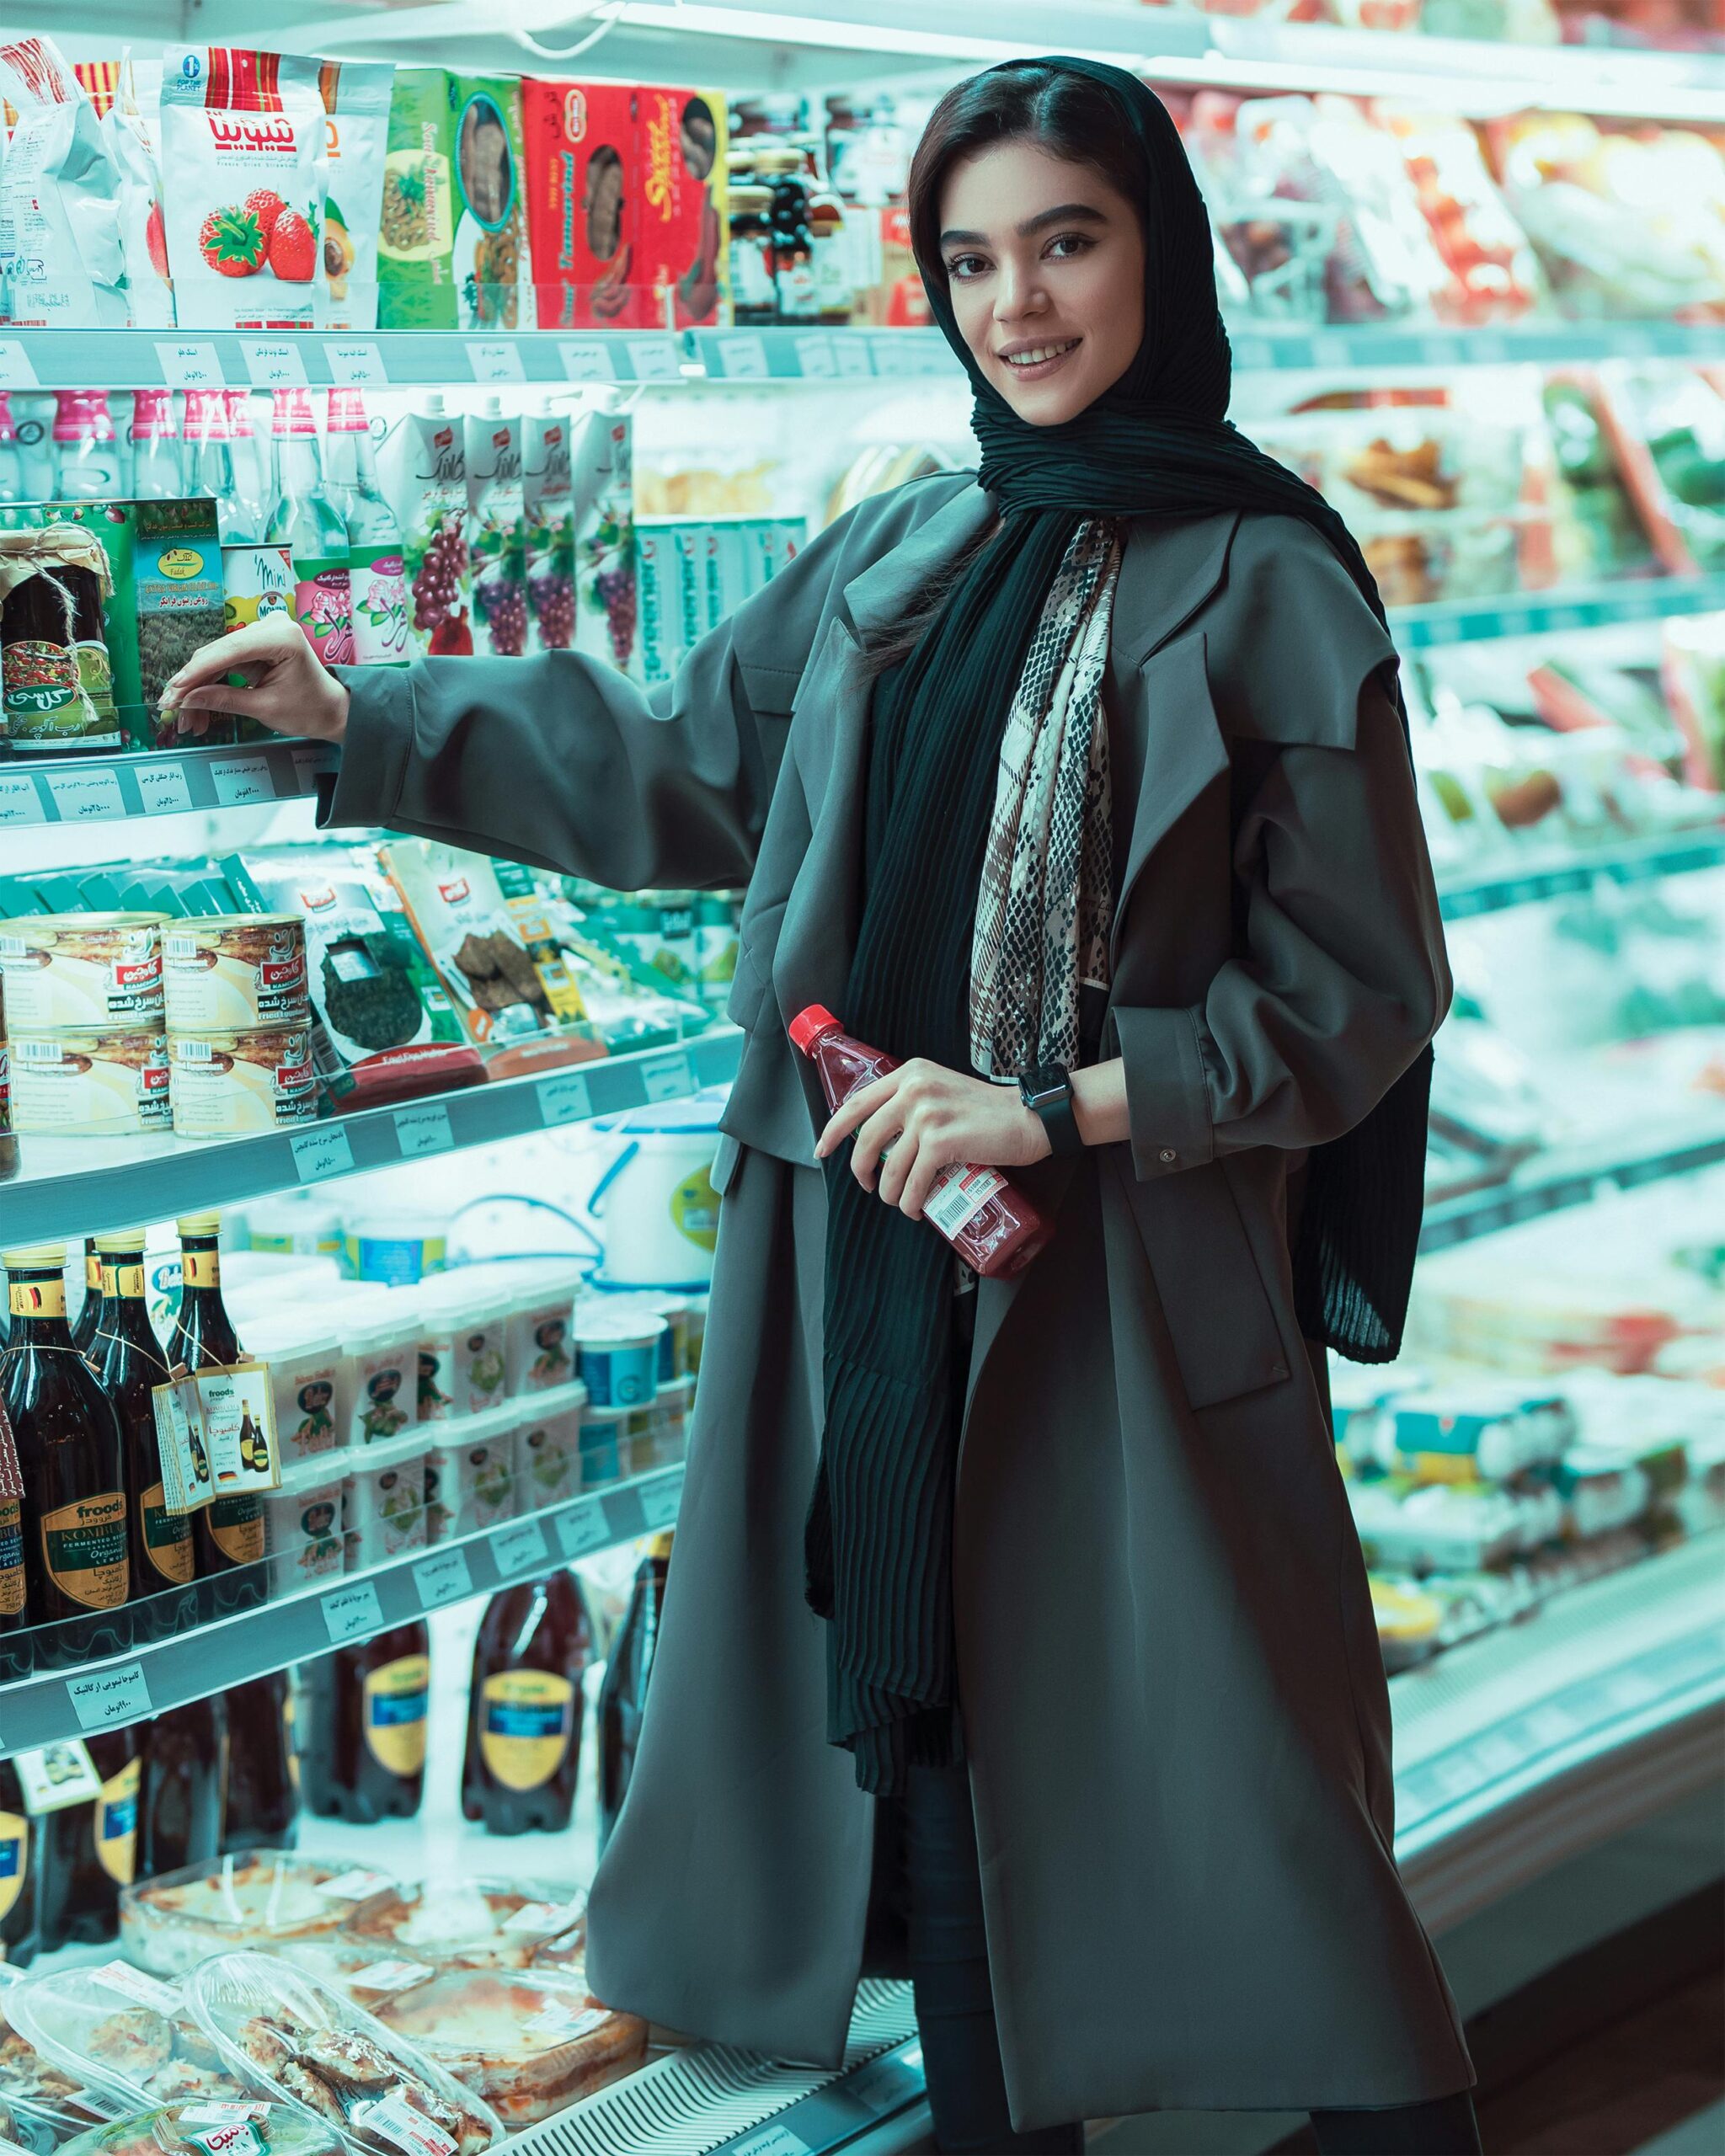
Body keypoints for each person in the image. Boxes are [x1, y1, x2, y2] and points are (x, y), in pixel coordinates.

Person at [162, 56, 1483, 2156]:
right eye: (971, 261)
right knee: (938, 1767)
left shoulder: (1272, 581)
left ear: (1161, 245)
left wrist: (1049, 1108)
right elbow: (689, 759)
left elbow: (1355, 997)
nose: (1020, 308)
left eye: (1068, 242)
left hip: (1124, 1303)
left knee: (1266, 1854)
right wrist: (370, 718)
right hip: (872, 1283)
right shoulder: (913, 544)